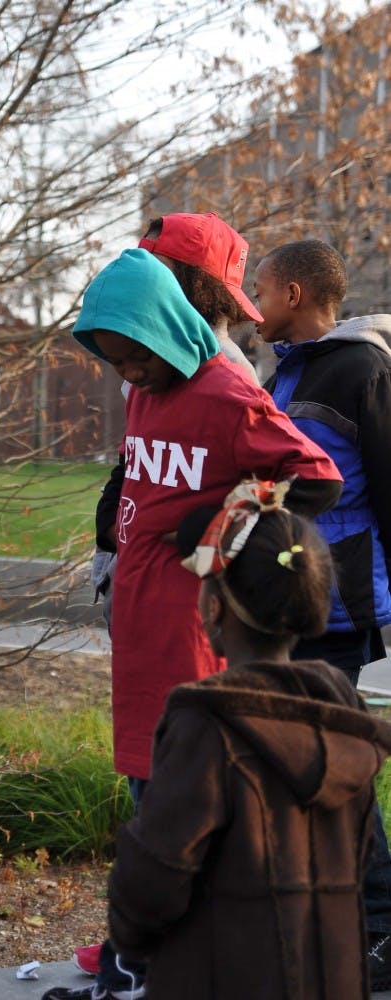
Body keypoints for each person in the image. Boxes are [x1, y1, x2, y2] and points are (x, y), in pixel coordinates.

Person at [41, 248, 342, 1000]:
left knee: (176, 805)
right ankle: (142, 959)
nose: (127, 376)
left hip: (189, 629)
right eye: (113, 361)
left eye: (134, 356)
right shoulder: (149, 392)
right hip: (139, 625)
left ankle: (151, 966)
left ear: (167, 330)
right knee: (147, 788)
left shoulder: (224, 392)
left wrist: (220, 528)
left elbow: (314, 477)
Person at [105, 480, 391, 1000]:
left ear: (214, 609)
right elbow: (363, 850)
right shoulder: (343, 719)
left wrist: (130, 943)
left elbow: (152, 883)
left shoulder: (204, 725)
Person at [254, 238, 391, 990]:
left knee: (336, 772)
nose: (253, 304)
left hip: (342, 606)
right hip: (295, 602)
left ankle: (377, 927)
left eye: (262, 291)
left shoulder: (361, 369)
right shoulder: (288, 371)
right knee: (307, 769)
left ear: (297, 294)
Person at [92, 212, 260, 636]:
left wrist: (202, 529)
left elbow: (260, 482)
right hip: (138, 570)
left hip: (186, 593)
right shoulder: (153, 351)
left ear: (192, 282)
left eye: (155, 266)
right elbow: (137, 452)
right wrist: (114, 513)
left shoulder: (224, 370)